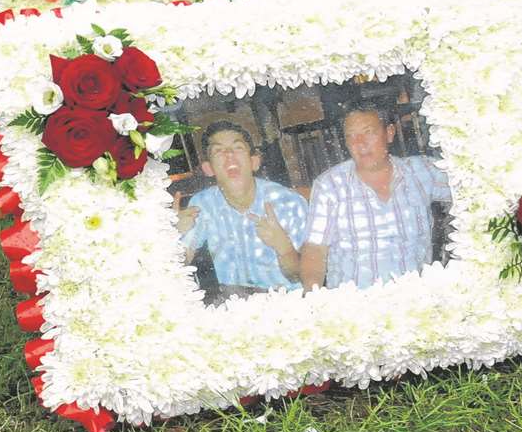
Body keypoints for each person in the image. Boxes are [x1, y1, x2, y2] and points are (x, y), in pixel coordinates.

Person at [298, 100, 451, 290]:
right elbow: (315, 249)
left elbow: (477, 184)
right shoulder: (330, 186)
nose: (359, 144)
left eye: (368, 132)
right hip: (356, 305)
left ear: (389, 133)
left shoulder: (422, 172)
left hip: (415, 299)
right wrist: (313, 295)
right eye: (351, 136)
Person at [175, 120, 309, 295]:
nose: (229, 155)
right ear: (208, 168)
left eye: (237, 148)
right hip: (234, 306)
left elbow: (306, 277)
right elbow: (179, 264)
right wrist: (172, 236)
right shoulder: (202, 204)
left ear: (254, 162)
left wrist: (284, 248)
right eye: (218, 150)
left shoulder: (289, 202)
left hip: (289, 302)